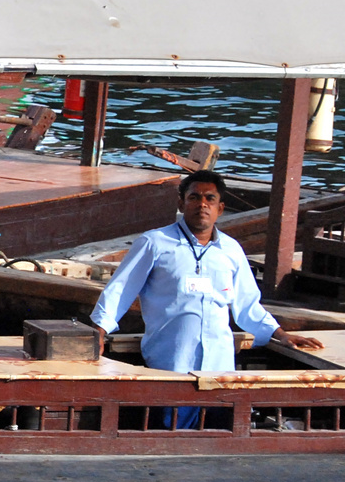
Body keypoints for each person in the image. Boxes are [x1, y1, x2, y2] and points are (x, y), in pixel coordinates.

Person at [91, 169, 323, 428]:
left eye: (210, 199)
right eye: (194, 197)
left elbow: (247, 305)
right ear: (181, 204)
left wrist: (282, 335)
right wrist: (98, 333)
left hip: (219, 369)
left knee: (218, 436)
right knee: (169, 434)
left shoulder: (231, 250)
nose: (202, 204)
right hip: (171, 364)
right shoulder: (155, 243)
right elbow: (120, 290)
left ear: (220, 208)